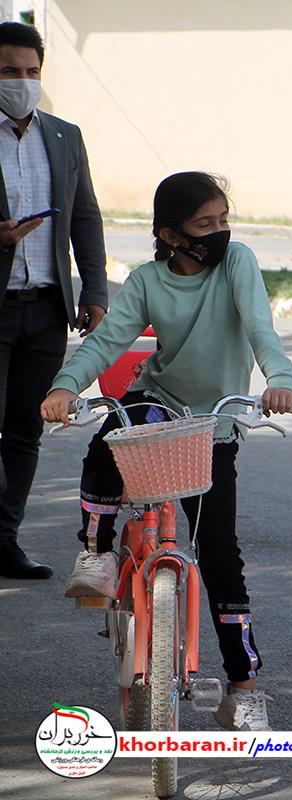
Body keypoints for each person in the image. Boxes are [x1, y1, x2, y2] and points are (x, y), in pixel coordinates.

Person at [40, 172, 292, 732]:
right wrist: (66, 387)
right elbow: (107, 343)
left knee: (221, 554)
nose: (220, 233)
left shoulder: (238, 264)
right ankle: (97, 553)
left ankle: (244, 688)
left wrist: (280, 378)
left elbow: (261, 328)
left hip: (217, 424)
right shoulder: (147, 281)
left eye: (224, 221)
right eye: (206, 224)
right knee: (110, 439)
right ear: (172, 234)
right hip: (161, 402)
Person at [0, 22, 106, 580]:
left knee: (24, 429)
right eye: (9, 71)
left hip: (46, 307)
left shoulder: (64, 136)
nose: (22, 81)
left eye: (31, 72)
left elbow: (84, 216)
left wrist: (95, 289)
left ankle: (4, 542)